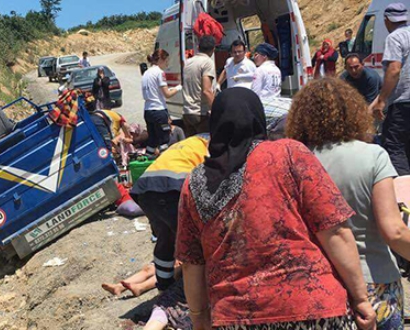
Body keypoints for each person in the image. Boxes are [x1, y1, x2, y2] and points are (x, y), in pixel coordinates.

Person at [175, 87, 376, 330]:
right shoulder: (288, 153)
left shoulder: (194, 183)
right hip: (312, 309)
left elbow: (191, 263)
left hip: (236, 317)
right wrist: (361, 298)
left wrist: (199, 319)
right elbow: (335, 231)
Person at [287, 77, 410, 330]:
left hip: (320, 287)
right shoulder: (373, 156)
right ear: (352, 111)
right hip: (376, 282)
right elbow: (393, 231)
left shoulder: (296, 161)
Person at [131, 135, 209, 291]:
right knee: (195, 242)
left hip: (144, 189)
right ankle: (195, 290)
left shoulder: (186, 144)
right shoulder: (208, 145)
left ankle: (164, 287)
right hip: (173, 188)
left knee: (165, 237)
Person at [370, 3, 410, 176]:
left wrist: (382, 100)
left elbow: (394, 70)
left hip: (403, 102)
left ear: (386, 20)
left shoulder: (394, 37)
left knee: (394, 146)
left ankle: (406, 195)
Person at [141, 49, 182, 156]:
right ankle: (167, 165)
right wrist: (178, 87)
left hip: (148, 110)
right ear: (161, 60)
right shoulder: (159, 73)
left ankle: (147, 162)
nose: (167, 64)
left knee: (152, 141)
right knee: (164, 141)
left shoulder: (146, 73)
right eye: (166, 61)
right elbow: (167, 94)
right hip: (159, 110)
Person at [182, 36, 216, 137]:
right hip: (200, 113)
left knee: (191, 147)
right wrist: (216, 110)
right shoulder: (207, 63)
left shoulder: (188, 62)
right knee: (204, 147)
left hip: (187, 112)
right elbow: (206, 91)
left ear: (198, 47)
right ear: (213, 49)